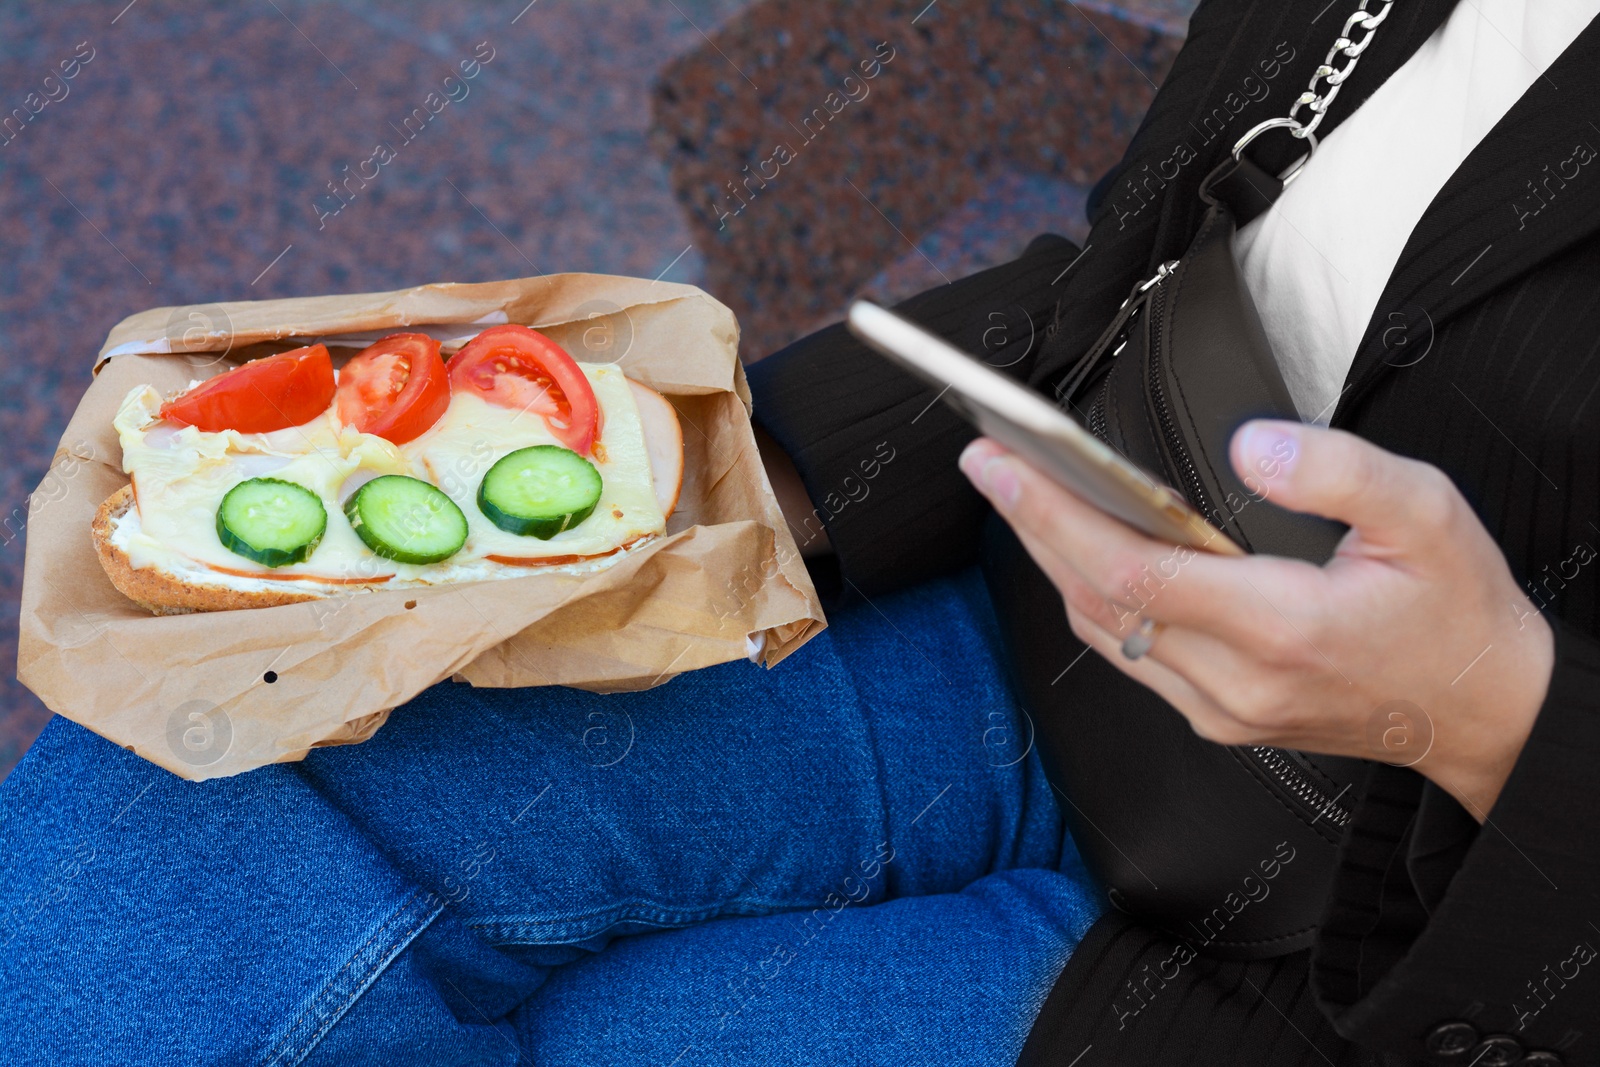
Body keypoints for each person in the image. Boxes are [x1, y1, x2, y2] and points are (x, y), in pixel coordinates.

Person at [4, 2, 1600, 1066]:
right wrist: (724, 481)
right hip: (1032, 600)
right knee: (200, 771)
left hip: (1390, 940)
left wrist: (1481, 710)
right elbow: (1166, 245)